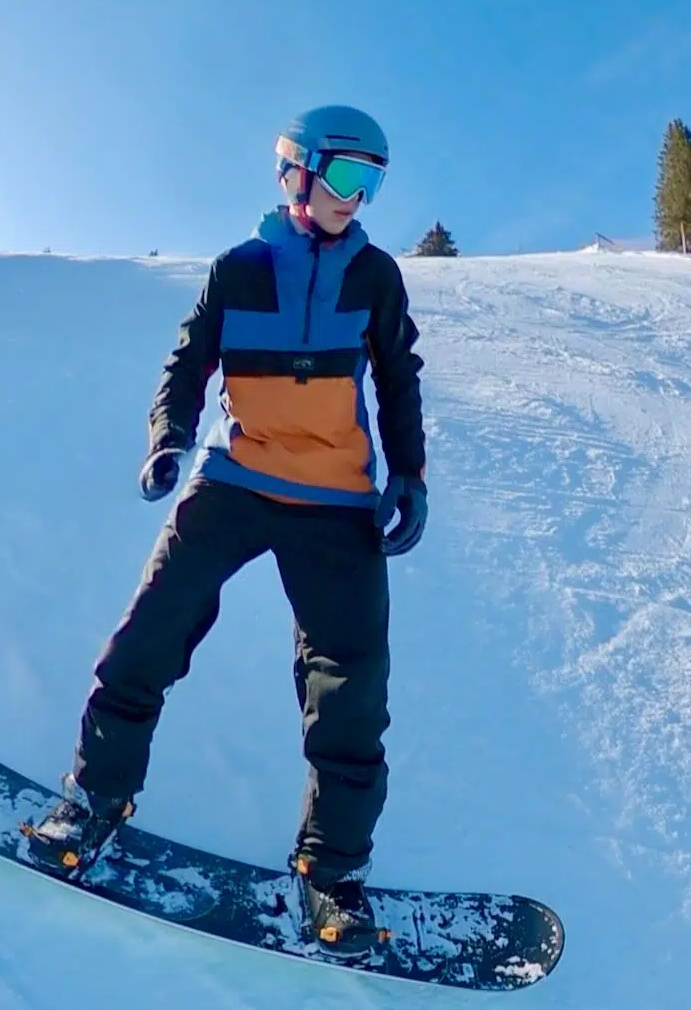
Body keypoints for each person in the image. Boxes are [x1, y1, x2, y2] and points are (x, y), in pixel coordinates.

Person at [24, 105, 427, 952]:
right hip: (236, 478)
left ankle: (333, 877)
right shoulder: (238, 269)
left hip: (336, 499)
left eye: (374, 183)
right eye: (348, 176)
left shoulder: (377, 276)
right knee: (148, 634)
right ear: (297, 171)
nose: (358, 198)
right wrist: (168, 440)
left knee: (350, 687)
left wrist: (410, 476)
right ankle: (93, 799)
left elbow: (398, 377)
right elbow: (188, 361)